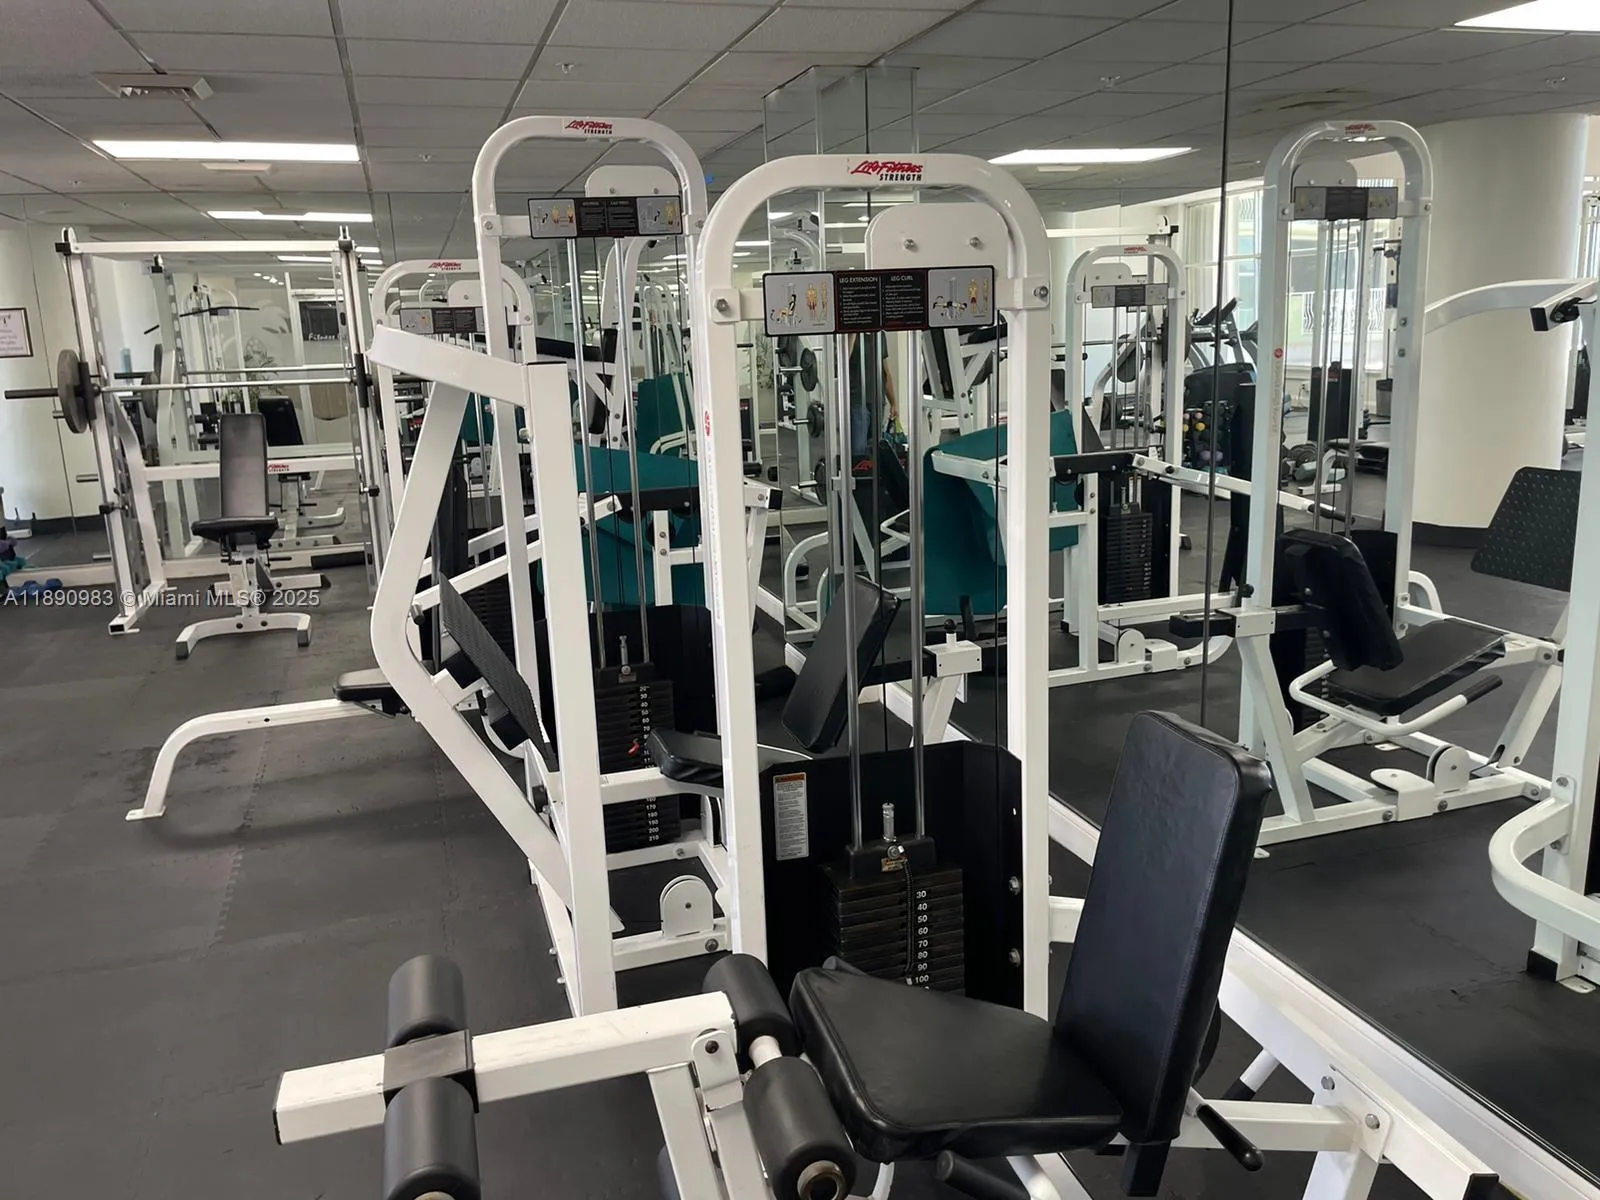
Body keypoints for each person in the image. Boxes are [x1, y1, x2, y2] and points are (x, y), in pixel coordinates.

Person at [846, 331, 898, 462]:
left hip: (877, 400)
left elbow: (886, 372)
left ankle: (874, 475)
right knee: (858, 451)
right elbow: (843, 361)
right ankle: (857, 474)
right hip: (858, 400)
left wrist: (893, 402)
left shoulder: (880, 335)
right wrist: (853, 333)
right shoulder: (849, 335)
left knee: (876, 448)